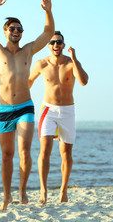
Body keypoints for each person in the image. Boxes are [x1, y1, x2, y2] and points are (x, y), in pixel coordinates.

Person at [0, 0, 55, 210]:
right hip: (4, 109)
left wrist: (48, 12)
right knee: (6, 155)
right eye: (12, 28)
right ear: (5, 31)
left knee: (24, 151)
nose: (17, 31)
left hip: (25, 107)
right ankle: (6, 195)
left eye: (20, 29)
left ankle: (22, 190)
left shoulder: (28, 50)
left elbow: (48, 32)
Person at [28, 31, 88, 204]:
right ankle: (43, 192)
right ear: (48, 45)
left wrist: (74, 57)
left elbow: (83, 81)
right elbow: (28, 82)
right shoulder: (41, 64)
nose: (56, 45)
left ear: (63, 44)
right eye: (52, 42)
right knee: (45, 150)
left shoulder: (71, 63)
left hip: (68, 111)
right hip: (48, 110)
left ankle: (63, 191)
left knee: (66, 152)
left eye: (59, 42)